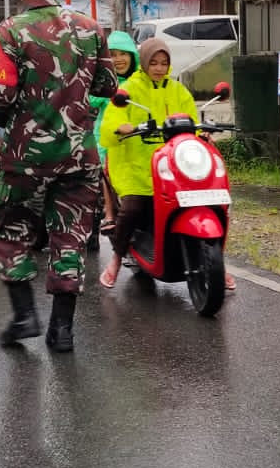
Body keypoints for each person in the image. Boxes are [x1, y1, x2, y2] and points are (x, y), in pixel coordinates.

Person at [0, 0, 117, 351]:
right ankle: (62, 330)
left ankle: (25, 315)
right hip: (79, 156)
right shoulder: (91, 28)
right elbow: (107, 88)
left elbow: (1, 98)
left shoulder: (10, 31)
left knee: (11, 229)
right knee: (71, 237)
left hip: (24, 158)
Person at [97, 35, 239, 291]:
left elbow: (191, 120)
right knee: (132, 208)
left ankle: (218, 263)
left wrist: (201, 133)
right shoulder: (129, 90)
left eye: (164, 62)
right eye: (154, 62)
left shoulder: (178, 90)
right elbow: (110, 124)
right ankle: (117, 258)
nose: (159, 68)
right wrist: (123, 127)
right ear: (144, 63)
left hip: (175, 163)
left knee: (211, 199)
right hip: (135, 163)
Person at [93, 30, 140, 235]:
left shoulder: (142, 80)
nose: (119, 59)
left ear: (133, 56)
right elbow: (89, 98)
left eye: (124, 53)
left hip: (139, 135)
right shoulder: (103, 83)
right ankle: (109, 212)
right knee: (106, 167)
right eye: (113, 54)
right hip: (108, 136)